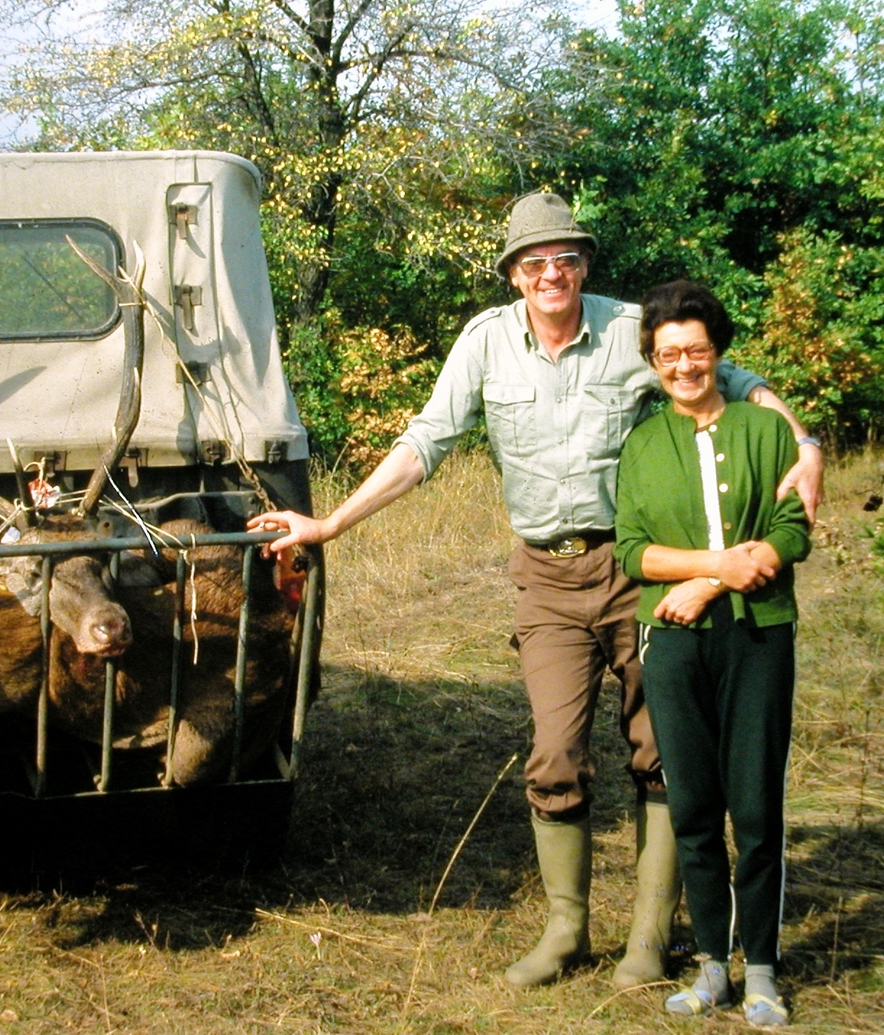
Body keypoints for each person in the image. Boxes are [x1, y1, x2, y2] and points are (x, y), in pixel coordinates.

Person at [249, 194, 822, 990]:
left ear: (583, 265)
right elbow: (426, 442)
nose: (550, 273)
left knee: (660, 750)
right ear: (514, 275)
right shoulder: (486, 343)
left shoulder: (629, 330)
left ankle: (650, 938)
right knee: (554, 753)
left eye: (565, 259)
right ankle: (566, 932)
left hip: (635, 570)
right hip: (546, 579)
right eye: (533, 262)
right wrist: (330, 523)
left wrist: (805, 443)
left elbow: (732, 376)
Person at [612, 280, 810, 1027]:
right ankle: (711, 966)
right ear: (654, 362)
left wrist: (726, 578)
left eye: (695, 350)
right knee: (693, 804)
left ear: (718, 352)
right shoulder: (642, 444)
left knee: (755, 802)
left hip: (758, 635)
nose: (684, 366)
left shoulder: (765, 432)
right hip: (672, 642)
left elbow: (793, 530)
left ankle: (762, 967)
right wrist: (707, 572)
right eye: (669, 355)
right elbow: (633, 551)